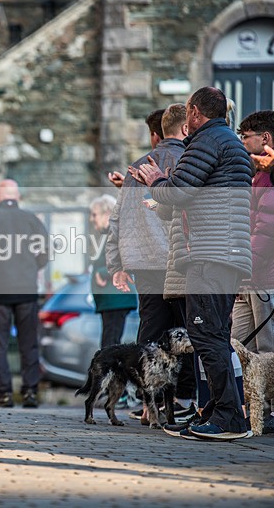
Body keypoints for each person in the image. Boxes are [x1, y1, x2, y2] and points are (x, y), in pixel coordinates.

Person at [132, 86, 253, 441]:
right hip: (224, 253)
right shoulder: (227, 142)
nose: (187, 122)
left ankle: (229, 418)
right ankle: (218, 411)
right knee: (214, 334)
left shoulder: (206, 141)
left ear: (196, 113)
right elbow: (183, 202)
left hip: (210, 254)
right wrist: (158, 192)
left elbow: (177, 192)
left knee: (206, 334)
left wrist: (156, 181)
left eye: (188, 114)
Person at [107, 104, 195, 422]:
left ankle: (149, 403)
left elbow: (124, 217)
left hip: (145, 262)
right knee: (187, 329)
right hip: (180, 259)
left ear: (155, 134)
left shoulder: (139, 166)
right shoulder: (192, 162)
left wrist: (116, 263)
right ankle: (186, 399)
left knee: (151, 329)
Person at [0, 180, 49, 408]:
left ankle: (3, 393)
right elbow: (46, 250)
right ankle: (30, 392)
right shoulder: (31, 219)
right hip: (27, 290)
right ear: (18, 197)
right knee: (29, 343)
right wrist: (33, 268)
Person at [233, 110, 274, 434]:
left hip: (264, 278)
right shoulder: (257, 174)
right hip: (248, 275)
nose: (242, 142)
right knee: (237, 346)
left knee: (267, 352)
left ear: (265, 138)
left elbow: (266, 230)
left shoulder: (269, 176)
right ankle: (248, 411)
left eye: (246, 136)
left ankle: (266, 414)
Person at [89, 195, 137, 348]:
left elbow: (126, 258)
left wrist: (101, 273)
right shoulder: (108, 234)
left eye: (94, 214)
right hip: (111, 301)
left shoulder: (116, 232)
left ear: (107, 213)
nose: (91, 219)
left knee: (109, 346)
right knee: (109, 344)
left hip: (116, 299)